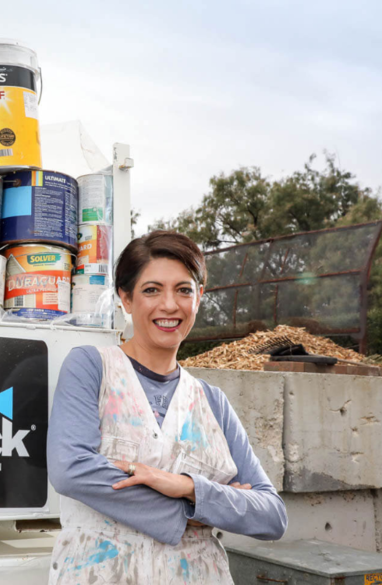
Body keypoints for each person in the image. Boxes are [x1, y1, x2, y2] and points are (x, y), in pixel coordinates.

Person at [47, 231, 287, 584]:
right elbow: (71, 469)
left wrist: (188, 487)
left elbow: (271, 515)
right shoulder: (92, 367)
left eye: (184, 290)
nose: (170, 305)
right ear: (125, 299)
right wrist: (195, 513)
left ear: (199, 297)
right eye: (151, 290)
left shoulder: (212, 401)